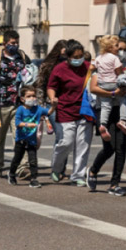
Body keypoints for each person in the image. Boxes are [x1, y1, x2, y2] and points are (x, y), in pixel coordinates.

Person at [0, 30, 30, 177]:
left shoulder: (22, 57)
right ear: (4, 44)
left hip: (19, 105)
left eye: (17, 43)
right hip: (0, 104)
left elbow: (31, 75)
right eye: (12, 43)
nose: (15, 45)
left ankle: (22, 166)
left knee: (20, 136)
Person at [47, 40, 92, 187]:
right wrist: (53, 98)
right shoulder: (59, 69)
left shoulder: (88, 67)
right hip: (65, 110)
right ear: (68, 56)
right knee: (66, 142)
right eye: (75, 57)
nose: (79, 59)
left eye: (81, 56)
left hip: (85, 111)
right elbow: (51, 87)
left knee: (83, 145)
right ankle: (56, 168)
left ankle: (78, 175)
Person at [36, 40, 68, 176]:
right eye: (64, 52)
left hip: (67, 104)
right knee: (61, 135)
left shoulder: (70, 65)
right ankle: (57, 169)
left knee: (66, 137)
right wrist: (41, 107)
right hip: (51, 104)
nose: (66, 56)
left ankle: (60, 168)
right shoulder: (47, 66)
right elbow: (40, 85)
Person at [8, 87, 49, 189]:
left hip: (32, 140)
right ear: (22, 99)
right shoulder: (20, 109)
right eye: (29, 96)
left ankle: (33, 179)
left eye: (34, 96)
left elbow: (48, 112)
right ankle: (12, 174)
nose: (32, 98)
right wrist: (28, 124)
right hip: (21, 140)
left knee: (33, 161)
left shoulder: (38, 109)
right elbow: (17, 123)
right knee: (17, 159)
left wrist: (55, 105)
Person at [93, 35, 126, 142]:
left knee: (105, 106)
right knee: (123, 100)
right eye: (116, 46)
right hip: (113, 83)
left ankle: (103, 124)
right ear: (109, 47)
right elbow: (119, 72)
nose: (118, 48)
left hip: (103, 84)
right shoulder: (114, 58)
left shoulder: (99, 58)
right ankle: (123, 120)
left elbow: (92, 67)